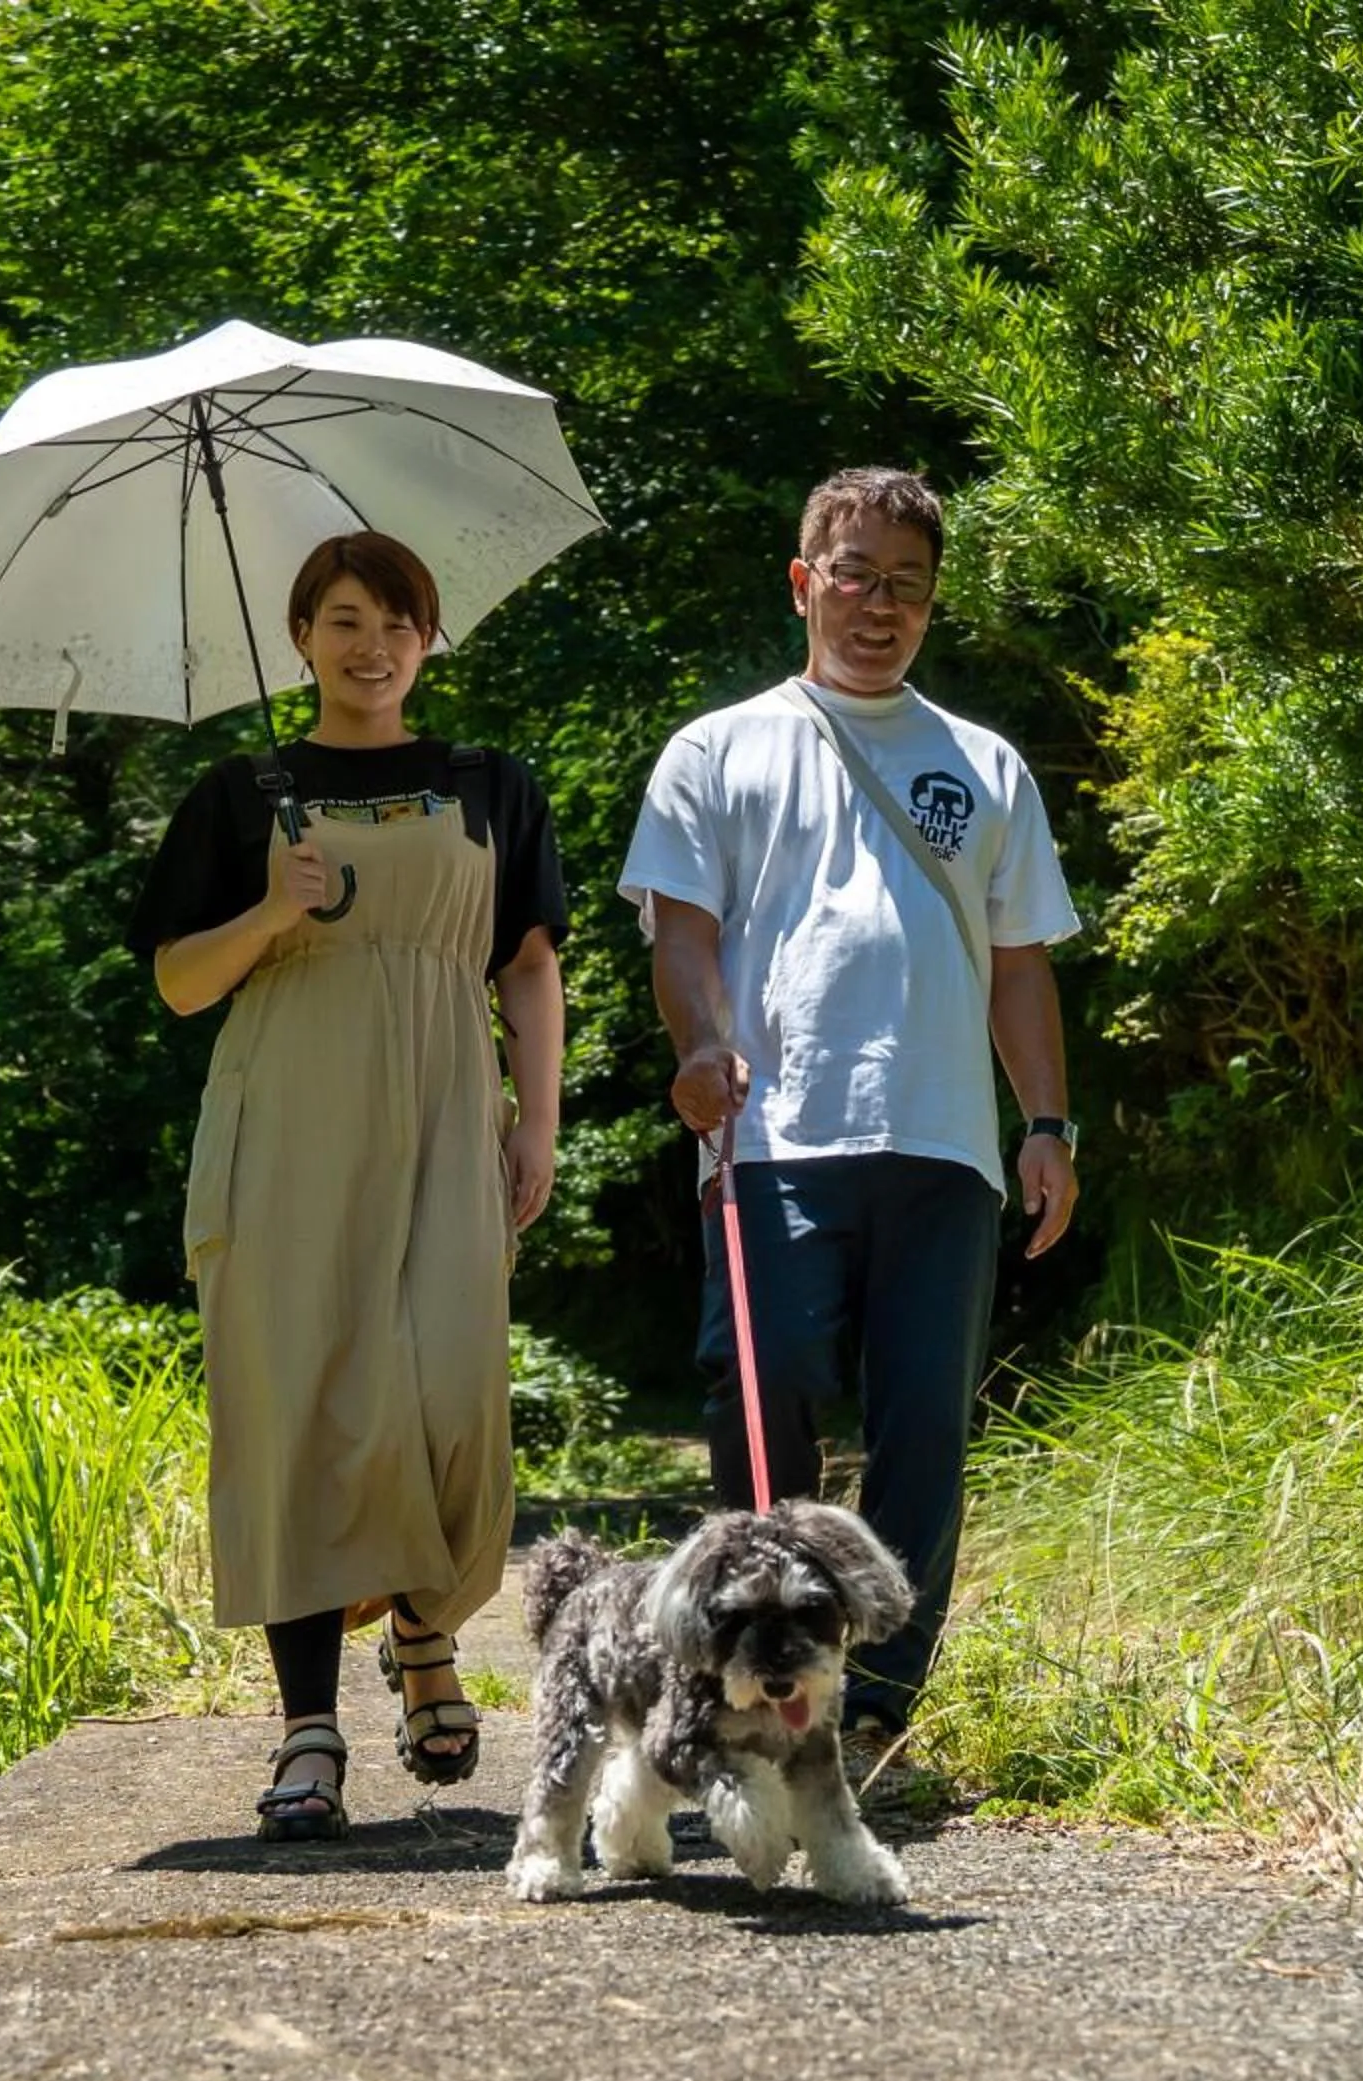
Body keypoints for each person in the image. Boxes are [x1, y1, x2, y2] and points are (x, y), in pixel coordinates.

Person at [616, 465, 1080, 1764]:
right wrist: (700, 1045)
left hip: (944, 1141)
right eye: (857, 576)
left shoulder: (983, 764)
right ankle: (767, 1670)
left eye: (908, 587)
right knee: (760, 1394)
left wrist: (1048, 1124)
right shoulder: (716, 749)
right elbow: (682, 931)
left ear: (932, 604)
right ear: (803, 582)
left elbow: (1021, 964)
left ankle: (876, 1701)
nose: (880, 607)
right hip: (772, 1137)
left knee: (924, 1424)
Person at [127, 529, 567, 1842]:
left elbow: (529, 964)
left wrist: (538, 1124)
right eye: (344, 620)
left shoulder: (490, 784)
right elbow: (180, 983)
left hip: (445, 1114)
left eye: (396, 622)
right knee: (300, 1406)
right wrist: (270, 912)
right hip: (286, 1127)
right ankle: (307, 1728)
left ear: (429, 639)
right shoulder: (241, 794)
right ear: (302, 637)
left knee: (451, 1388)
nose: (372, 646)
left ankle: (425, 1631)